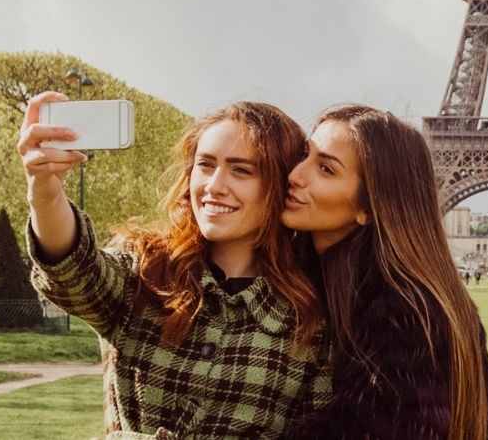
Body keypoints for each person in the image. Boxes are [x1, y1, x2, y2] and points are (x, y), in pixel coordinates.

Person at [21, 92, 329, 438]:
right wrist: (44, 192)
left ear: (280, 185)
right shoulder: (145, 267)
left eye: (241, 170)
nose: (214, 186)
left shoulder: (311, 316)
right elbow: (75, 274)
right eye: (206, 165)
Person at [279, 104, 488, 439]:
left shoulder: (406, 313)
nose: (294, 175)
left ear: (367, 208)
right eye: (305, 155)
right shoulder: (334, 282)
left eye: (326, 169)